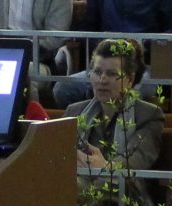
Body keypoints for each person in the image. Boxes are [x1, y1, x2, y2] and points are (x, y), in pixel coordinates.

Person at [67, 39, 164, 172]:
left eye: (112, 74)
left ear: (130, 80)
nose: (102, 80)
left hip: (122, 183)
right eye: (97, 72)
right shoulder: (74, 112)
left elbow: (136, 161)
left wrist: (106, 167)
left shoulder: (149, 115)